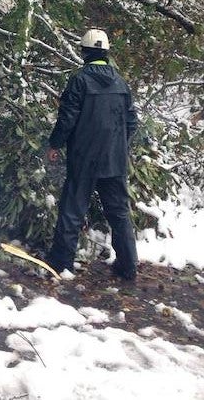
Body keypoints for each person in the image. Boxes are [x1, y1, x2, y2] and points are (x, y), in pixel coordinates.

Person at [44, 28, 139, 281]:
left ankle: (61, 263)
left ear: (84, 52)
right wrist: (117, 145)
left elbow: (67, 119)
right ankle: (129, 266)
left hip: (84, 159)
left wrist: (55, 145)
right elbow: (132, 122)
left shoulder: (79, 80)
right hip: (115, 161)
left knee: (72, 210)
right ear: (106, 52)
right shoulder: (121, 82)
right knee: (119, 213)